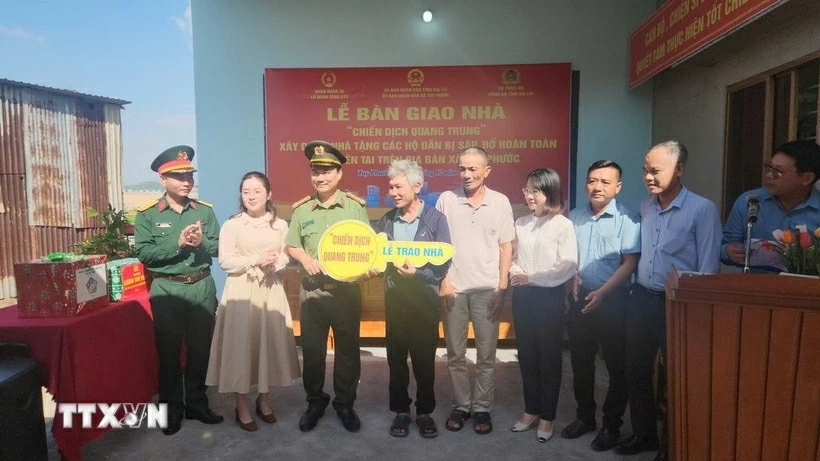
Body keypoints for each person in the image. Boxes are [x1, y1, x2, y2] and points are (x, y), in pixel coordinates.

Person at [616, 141, 721, 461]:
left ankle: (671, 444)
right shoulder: (646, 206)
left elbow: (708, 267)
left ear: (680, 170)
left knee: (676, 377)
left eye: (655, 170)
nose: (648, 176)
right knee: (635, 370)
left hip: (680, 305)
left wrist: (698, 311)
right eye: (645, 170)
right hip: (643, 299)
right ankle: (644, 435)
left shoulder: (702, 209)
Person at [134, 145, 223, 436]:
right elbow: (145, 255)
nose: (186, 181)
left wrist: (202, 244)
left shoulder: (204, 211)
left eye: (189, 175)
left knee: (200, 349)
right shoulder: (147, 215)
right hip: (167, 290)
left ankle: (197, 403)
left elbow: (220, 246)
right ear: (163, 179)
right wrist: (179, 242)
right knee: (169, 353)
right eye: (178, 176)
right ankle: (171, 410)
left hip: (200, 285)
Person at [206, 171, 301, 432]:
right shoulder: (233, 224)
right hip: (241, 291)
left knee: (267, 345)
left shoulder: (280, 225)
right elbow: (225, 261)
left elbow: (286, 257)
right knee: (241, 348)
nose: (251, 196)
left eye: (257, 191)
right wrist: (255, 260)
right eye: (246, 191)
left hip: (270, 289)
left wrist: (275, 263)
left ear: (268, 194)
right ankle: (242, 405)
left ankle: (264, 400)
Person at [285, 141, 369, 433]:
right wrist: (304, 258)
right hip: (313, 292)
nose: (320, 178)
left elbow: (365, 245)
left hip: (346, 292)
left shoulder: (355, 208)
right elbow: (292, 245)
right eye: (315, 172)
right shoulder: (302, 210)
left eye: (326, 172)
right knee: (313, 352)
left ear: (339, 173)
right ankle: (315, 402)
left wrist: (366, 265)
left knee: (348, 353)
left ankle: (345, 404)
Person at [369, 159, 451, 439]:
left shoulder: (435, 220)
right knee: (396, 361)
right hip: (395, 301)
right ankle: (401, 412)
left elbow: (443, 264)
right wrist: (372, 268)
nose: (392, 191)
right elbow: (379, 261)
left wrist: (418, 273)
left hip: (425, 303)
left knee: (424, 361)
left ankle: (425, 412)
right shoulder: (386, 221)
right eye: (390, 186)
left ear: (417, 187)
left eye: (398, 186)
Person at [436, 146, 515, 435]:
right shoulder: (446, 200)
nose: (466, 174)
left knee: (486, 354)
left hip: (487, 290)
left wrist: (502, 286)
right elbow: (437, 245)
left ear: (486, 171)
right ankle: (461, 404)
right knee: (455, 354)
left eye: (473, 169)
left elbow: (506, 246)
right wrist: (443, 280)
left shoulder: (500, 202)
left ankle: (482, 407)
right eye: (462, 168)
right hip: (453, 290)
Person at [563, 160, 640, 451]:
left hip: (614, 301)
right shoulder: (574, 217)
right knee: (580, 363)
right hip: (580, 298)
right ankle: (585, 418)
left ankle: (611, 425)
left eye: (605, 182)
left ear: (617, 187)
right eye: (593, 180)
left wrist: (604, 293)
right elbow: (569, 256)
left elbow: (630, 263)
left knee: (615, 368)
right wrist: (571, 279)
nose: (597, 187)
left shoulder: (628, 219)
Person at [508, 168, 577, 443]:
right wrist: (516, 272)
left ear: (550, 191)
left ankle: (547, 415)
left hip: (548, 299)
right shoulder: (521, 223)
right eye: (527, 189)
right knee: (526, 355)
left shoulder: (562, 225)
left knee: (549, 358)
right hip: (523, 297)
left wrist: (532, 277)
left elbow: (567, 266)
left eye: (536, 190)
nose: (529, 195)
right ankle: (531, 409)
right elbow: (513, 257)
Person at [722, 140, 820, 271]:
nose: (769, 175)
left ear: (807, 178)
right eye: (769, 168)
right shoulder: (749, 201)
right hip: (757, 287)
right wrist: (728, 251)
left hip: (805, 288)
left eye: (778, 171)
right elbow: (723, 247)